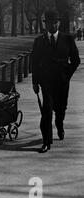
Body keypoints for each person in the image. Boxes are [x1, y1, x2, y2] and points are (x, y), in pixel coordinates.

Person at [31, 10, 80, 153]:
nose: (52, 25)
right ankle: (46, 141)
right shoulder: (39, 41)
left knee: (60, 109)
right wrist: (35, 82)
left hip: (62, 82)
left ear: (58, 22)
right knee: (46, 111)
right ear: (45, 24)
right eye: (49, 23)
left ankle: (60, 125)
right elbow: (34, 63)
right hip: (46, 82)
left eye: (54, 22)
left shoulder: (68, 39)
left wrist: (67, 74)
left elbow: (76, 60)